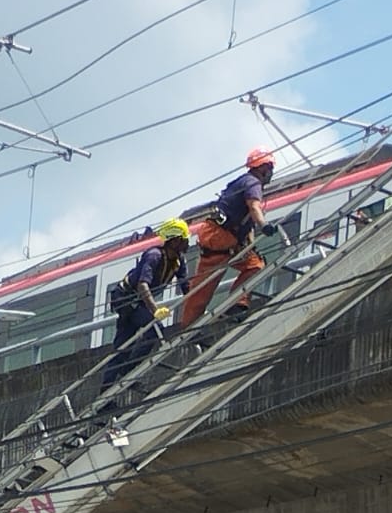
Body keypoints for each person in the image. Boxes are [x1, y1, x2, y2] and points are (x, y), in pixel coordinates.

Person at [184, 148, 280, 326]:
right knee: (202, 291)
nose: (271, 173)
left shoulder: (243, 182)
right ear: (263, 167)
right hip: (219, 237)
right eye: (270, 168)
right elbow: (254, 208)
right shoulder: (253, 184)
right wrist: (264, 225)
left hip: (226, 237)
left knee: (254, 264)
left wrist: (250, 247)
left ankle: (237, 304)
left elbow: (247, 221)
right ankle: (187, 329)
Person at [101, 218, 191, 388]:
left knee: (123, 347)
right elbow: (143, 284)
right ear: (176, 240)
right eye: (185, 238)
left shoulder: (179, 261)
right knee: (153, 331)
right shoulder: (154, 255)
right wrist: (155, 310)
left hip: (139, 302)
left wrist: (198, 305)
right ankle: (126, 373)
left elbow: (186, 285)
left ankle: (115, 384)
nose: (187, 242)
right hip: (126, 299)